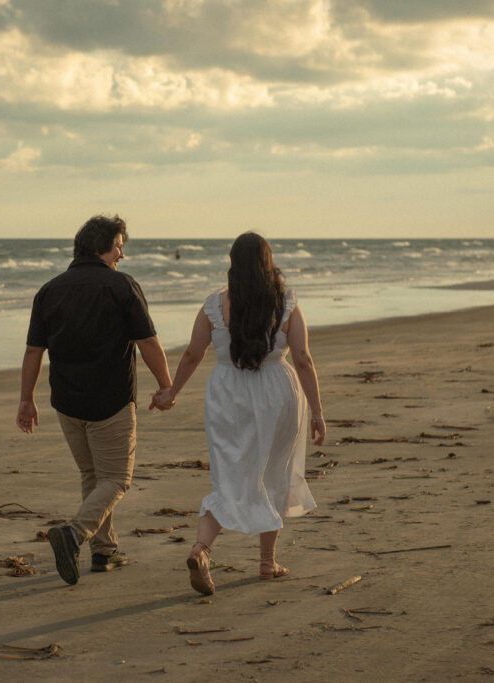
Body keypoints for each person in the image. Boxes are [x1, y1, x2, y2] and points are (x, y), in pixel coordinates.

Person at [153, 232, 325, 596]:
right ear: (268, 263)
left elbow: (192, 354)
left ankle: (201, 549)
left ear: (233, 264)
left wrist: (172, 392)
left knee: (229, 477)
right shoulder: (287, 304)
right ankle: (267, 562)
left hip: (227, 393)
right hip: (278, 392)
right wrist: (318, 413)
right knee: (275, 472)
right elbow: (303, 359)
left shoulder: (214, 305)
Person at [17, 214, 173, 586]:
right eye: (119, 245)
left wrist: (26, 400)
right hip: (111, 401)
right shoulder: (121, 286)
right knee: (117, 479)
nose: (122, 254)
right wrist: (166, 384)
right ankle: (73, 534)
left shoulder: (50, 290)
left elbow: (33, 352)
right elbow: (147, 342)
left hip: (67, 401)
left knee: (93, 476)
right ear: (101, 246)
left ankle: (104, 552)